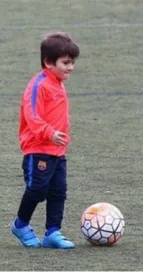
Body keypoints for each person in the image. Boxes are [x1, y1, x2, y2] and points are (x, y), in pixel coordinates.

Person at [11, 32, 80, 249]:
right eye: (66, 63)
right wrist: (49, 133)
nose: (71, 67)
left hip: (58, 151)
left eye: (72, 63)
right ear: (48, 62)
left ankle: (52, 232)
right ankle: (21, 225)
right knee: (37, 189)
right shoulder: (38, 85)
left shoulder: (58, 83)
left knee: (58, 191)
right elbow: (32, 116)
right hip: (38, 148)